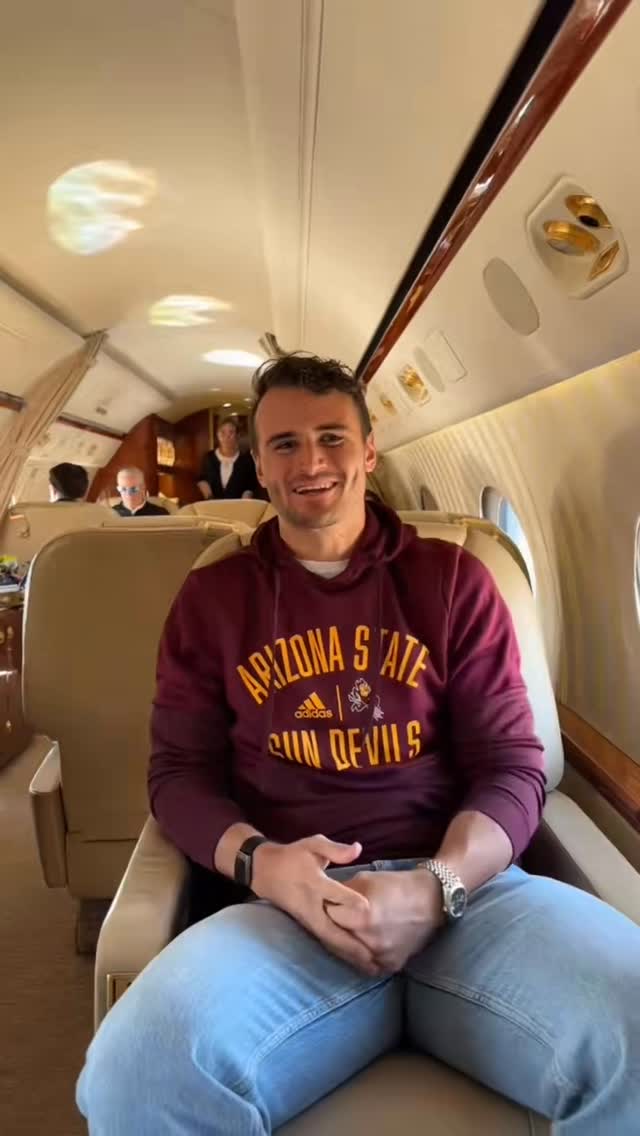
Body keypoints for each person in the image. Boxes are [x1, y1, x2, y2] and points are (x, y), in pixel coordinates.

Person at [77, 353, 640, 1134]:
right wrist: (262, 864)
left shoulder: (455, 582)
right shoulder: (214, 599)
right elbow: (179, 774)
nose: (311, 461)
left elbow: (512, 766)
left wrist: (438, 885)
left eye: (332, 437)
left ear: (370, 451)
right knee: (135, 1073)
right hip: (288, 911)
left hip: (468, 900)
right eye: (285, 444)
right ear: (260, 467)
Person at [197, 415, 262, 500]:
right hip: (212, 505)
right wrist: (209, 497)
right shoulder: (209, 458)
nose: (227, 436)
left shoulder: (247, 460)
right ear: (217, 435)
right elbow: (202, 480)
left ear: (237, 435)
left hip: (238, 506)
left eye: (231, 432)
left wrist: (244, 502)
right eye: (222, 432)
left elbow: (250, 486)